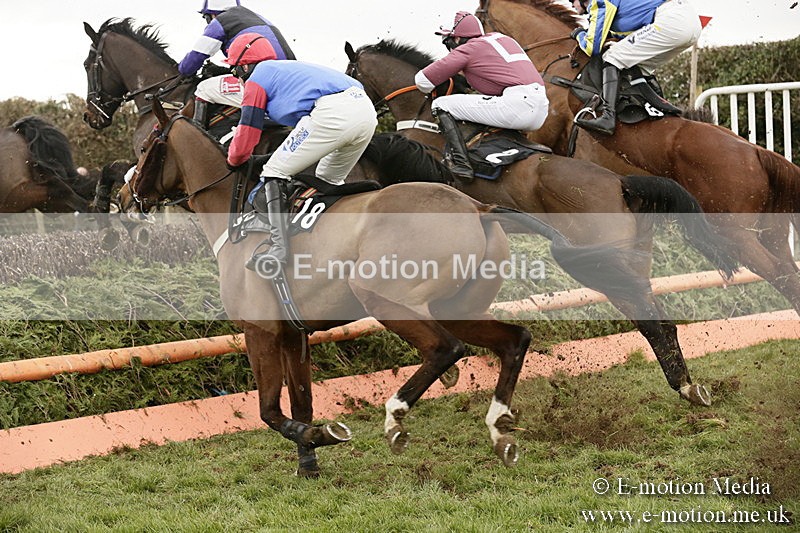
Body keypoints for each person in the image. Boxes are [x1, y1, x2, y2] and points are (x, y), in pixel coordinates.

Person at [224, 33, 378, 272]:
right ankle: (336, 238)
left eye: (235, 71)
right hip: (366, 113)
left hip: (334, 112)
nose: (237, 77)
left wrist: (234, 159)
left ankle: (278, 249)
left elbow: (248, 131)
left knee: (274, 172)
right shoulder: (284, 72)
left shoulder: (257, 78)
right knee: (327, 180)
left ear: (244, 66)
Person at [414, 11, 549, 181]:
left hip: (517, 105)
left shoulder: (469, 48)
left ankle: (461, 164)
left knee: (441, 104)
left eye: (447, 42)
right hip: (541, 106)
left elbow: (422, 81)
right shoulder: (502, 38)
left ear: (457, 38)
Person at [570, 0, 702, 135]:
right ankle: (663, 113)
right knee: (637, 65)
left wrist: (579, 34)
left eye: (571, 0)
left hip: (673, 20)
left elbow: (592, 47)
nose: (571, 5)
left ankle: (608, 117)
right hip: (690, 24)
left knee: (612, 57)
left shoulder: (598, 2)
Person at [178, 0, 296, 128]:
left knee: (204, 88)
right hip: (291, 82)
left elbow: (192, 62)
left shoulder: (221, 21)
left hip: (265, 85)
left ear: (212, 15)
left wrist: (181, 69)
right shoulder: (256, 17)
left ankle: (197, 135)